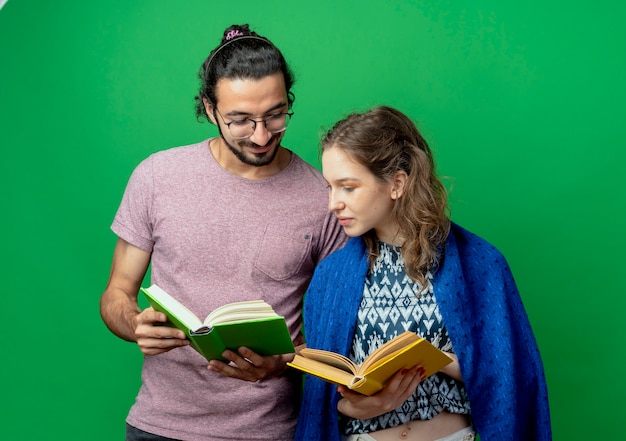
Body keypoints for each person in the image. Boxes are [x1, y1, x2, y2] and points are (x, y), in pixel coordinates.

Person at [100, 24, 346, 441]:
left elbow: (339, 332)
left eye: (276, 114)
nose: (262, 135)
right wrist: (135, 323)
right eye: (240, 121)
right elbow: (115, 295)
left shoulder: (323, 196)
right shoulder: (157, 176)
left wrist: (285, 360)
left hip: (271, 430)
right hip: (160, 426)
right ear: (210, 109)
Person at [294, 106, 552, 441]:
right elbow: (324, 399)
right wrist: (355, 407)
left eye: (348, 187)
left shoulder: (480, 263)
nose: (334, 203)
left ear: (397, 184)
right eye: (330, 187)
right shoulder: (331, 277)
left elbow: (510, 373)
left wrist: (436, 358)